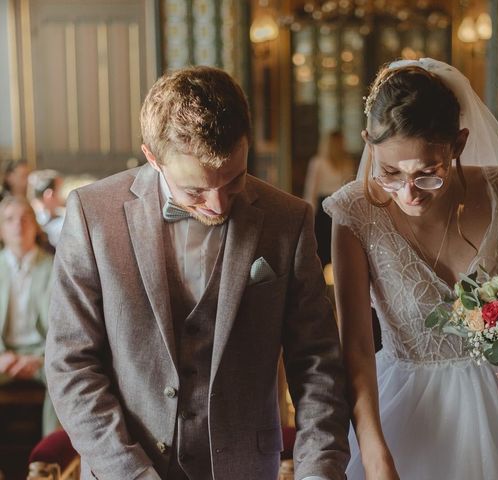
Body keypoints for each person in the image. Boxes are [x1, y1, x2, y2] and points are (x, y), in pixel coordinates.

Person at [45, 66, 350, 480]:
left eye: (234, 179)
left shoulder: (288, 220)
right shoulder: (92, 216)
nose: (220, 205)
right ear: (152, 157)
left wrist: (319, 470)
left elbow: (317, 364)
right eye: (195, 191)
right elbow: (71, 364)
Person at [324, 58, 498, 479]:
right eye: (390, 172)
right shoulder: (354, 212)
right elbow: (354, 346)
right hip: (405, 415)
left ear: (459, 144)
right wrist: (375, 454)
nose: (408, 192)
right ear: (368, 145)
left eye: (429, 173)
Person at [0, 196, 58, 435]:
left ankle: (51, 464)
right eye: (9, 219)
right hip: (4, 353)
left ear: (35, 226)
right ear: (1, 229)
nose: (18, 225)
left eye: (25, 218)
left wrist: (43, 357)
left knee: (66, 381)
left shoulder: (55, 266)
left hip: (45, 355)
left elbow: (66, 324)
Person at [303, 130, 355, 266]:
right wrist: (309, 217)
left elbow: (349, 188)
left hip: (340, 204)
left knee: (341, 244)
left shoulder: (346, 162)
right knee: (323, 246)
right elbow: (311, 190)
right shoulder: (318, 162)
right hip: (323, 208)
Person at [29, 169, 66, 248]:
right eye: (60, 191)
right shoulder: (62, 223)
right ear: (49, 195)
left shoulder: (62, 217)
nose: (62, 197)